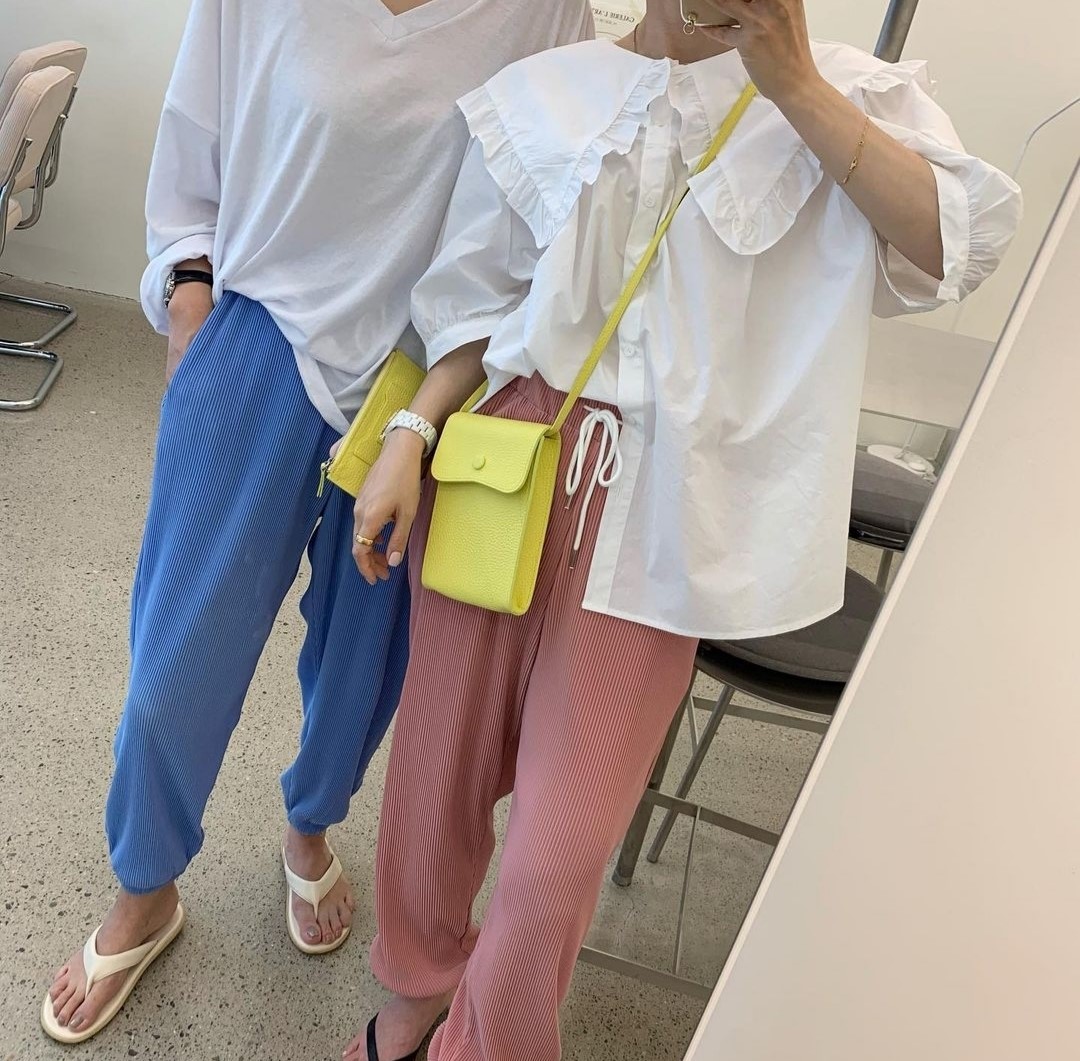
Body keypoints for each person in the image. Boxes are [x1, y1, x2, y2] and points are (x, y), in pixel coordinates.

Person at [341, 1, 1022, 1059]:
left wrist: (793, 81)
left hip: (667, 511)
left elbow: (958, 244)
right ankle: (417, 986)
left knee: (554, 864)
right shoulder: (548, 91)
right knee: (433, 785)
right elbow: (473, 305)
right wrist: (410, 432)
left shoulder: (849, 94)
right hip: (506, 462)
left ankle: (493, 1042)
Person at [41, 0, 595, 1044]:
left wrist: (445, 405)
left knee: (363, 671)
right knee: (175, 660)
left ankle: (310, 823)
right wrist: (191, 301)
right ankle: (145, 885)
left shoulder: (546, 11)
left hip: (423, 380)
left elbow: (539, 207)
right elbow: (195, 134)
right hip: (258, 338)